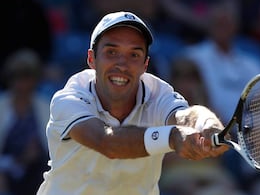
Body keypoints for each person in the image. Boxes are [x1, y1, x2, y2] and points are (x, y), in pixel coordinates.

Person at [36, 11, 228, 195]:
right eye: (111, 52)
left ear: (145, 65)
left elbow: (187, 116)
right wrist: (172, 136)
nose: (122, 64)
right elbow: (106, 142)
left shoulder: (158, 92)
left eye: (134, 55)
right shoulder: (69, 99)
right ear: (92, 59)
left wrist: (207, 124)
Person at [0, 49, 50, 195]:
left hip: (37, 175)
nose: (22, 84)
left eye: (27, 77)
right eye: (17, 77)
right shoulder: (1, 106)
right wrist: (19, 161)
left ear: (35, 80)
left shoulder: (46, 107)